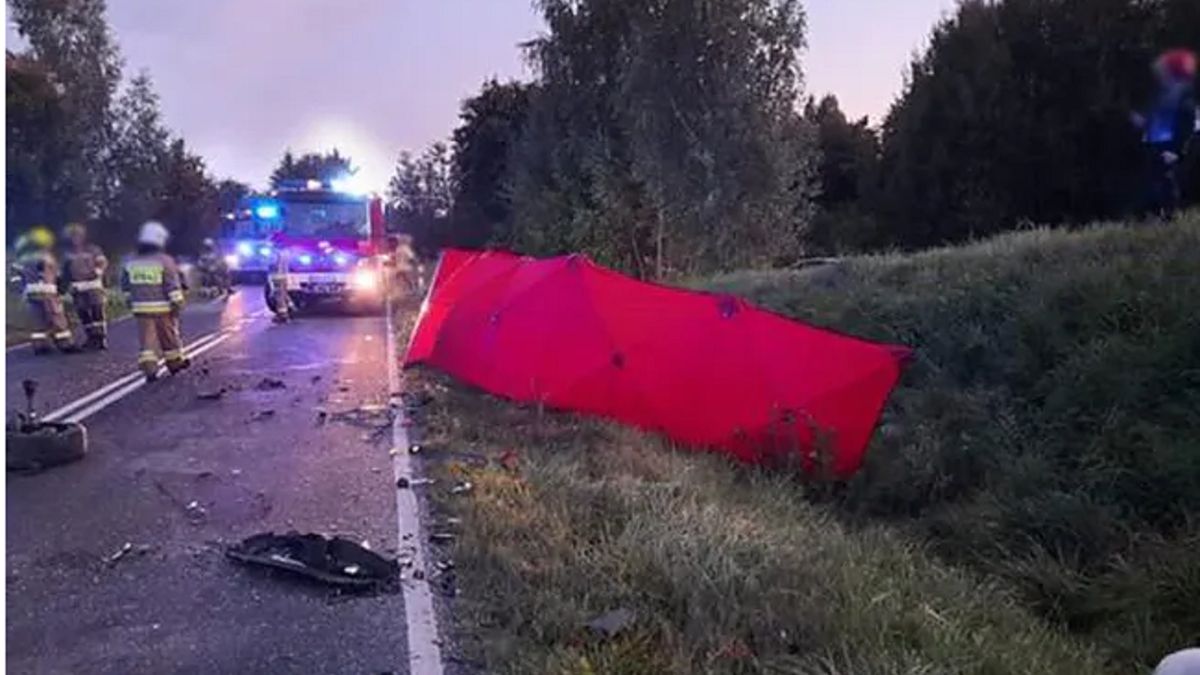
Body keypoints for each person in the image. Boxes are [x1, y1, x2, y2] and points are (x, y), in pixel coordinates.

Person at [1132, 48, 1198, 218]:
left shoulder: (1184, 98)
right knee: (1155, 183)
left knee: (1168, 183)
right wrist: (1144, 123)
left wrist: (1177, 151)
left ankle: (1172, 217)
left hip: (1170, 147)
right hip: (1155, 144)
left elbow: (1187, 126)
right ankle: (1158, 216)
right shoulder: (1163, 94)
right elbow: (1158, 118)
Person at [122, 221, 189, 381]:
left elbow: (125, 285)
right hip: (163, 308)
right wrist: (178, 304)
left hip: (140, 309)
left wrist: (130, 302)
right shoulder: (165, 260)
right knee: (168, 336)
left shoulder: (131, 261)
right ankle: (174, 364)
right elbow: (172, 286)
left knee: (147, 341)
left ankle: (150, 370)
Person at [15, 226, 76, 354]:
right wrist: (61, 290)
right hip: (48, 292)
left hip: (31, 293)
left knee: (38, 321)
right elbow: (57, 275)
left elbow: (16, 277)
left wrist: (22, 290)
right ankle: (65, 344)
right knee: (57, 318)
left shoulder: (23, 258)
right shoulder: (46, 257)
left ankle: (40, 346)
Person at [61, 222, 110, 350]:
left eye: (77, 236)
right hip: (78, 286)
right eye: (72, 236)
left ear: (82, 236)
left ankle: (100, 338)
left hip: (93, 285)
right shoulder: (68, 253)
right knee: (83, 313)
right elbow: (65, 271)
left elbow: (102, 262)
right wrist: (64, 286)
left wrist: (98, 272)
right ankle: (90, 337)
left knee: (97, 312)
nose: (75, 239)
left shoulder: (93, 249)